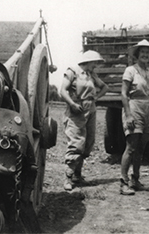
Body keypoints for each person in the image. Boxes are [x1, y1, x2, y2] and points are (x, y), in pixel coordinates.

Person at [60, 50, 109, 191]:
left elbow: (105, 87)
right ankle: (68, 178)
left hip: (91, 110)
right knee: (76, 144)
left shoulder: (91, 75)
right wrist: (72, 104)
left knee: (88, 143)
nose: (96, 66)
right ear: (88, 61)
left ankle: (77, 175)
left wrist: (96, 97)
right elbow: (62, 90)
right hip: (76, 110)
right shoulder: (72, 72)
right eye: (95, 62)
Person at [120, 39, 149, 195]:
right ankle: (123, 182)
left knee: (141, 149)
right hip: (134, 108)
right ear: (137, 55)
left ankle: (135, 179)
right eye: (142, 52)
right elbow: (123, 94)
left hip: (147, 110)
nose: (145, 55)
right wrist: (128, 115)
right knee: (131, 147)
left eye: (147, 53)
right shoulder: (131, 70)